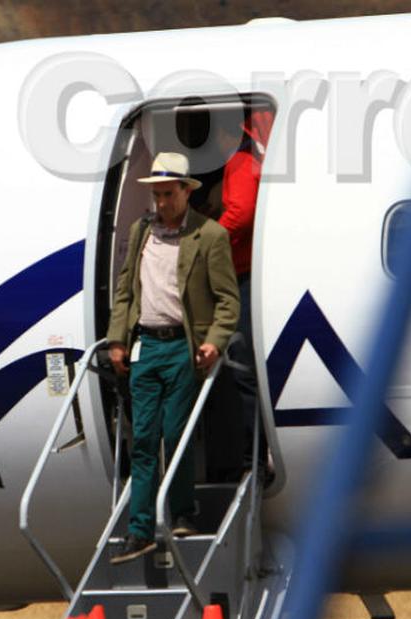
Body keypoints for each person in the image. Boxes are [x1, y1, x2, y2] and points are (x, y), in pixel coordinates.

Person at [106, 152, 240, 564]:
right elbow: (125, 290)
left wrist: (214, 341)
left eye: (168, 194)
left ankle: (183, 511)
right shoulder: (142, 231)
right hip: (146, 345)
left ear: (186, 191)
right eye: (156, 195)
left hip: (181, 346)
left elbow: (228, 301)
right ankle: (140, 527)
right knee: (142, 437)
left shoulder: (209, 236)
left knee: (175, 432)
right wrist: (116, 339)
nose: (161, 203)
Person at [216, 109, 274, 483]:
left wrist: (204, 242)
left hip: (243, 276)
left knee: (243, 369)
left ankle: (254, 456)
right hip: (250, 272)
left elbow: (240, 212)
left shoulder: (239, 160)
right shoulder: (255, 159)